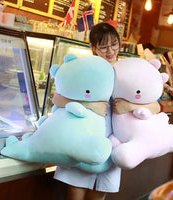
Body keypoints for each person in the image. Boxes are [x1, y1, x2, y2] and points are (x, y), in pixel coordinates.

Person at [54, 22, 121, 200]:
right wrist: (90, 105)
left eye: (114, 44)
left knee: (97, 197)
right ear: (92, 47)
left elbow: (155, 105)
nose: (110, 51)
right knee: (75, 196)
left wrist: (129, 106)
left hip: (111, 148)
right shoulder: (84, 69)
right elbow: (57, 98)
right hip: (82, 141)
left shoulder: (125, 72)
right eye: (103, 46)